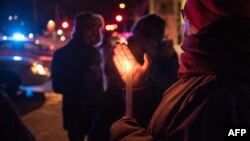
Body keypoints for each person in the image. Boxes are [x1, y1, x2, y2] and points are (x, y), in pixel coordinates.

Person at [110, 0, 250, 140]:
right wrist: (143, 88)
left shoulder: (213, 90)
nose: (182, 24)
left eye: (185, 15)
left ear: (200, 22)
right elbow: (175, 123)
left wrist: (129, 137)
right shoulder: (207, 75)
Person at [89, 14, 178, 141]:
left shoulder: (166, 64)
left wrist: (142, 85)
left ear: (152, 40)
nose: (131, 40)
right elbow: (108, 108)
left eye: (136, 37)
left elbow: (166, 106)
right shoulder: (129, 60)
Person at [51, 12, 104, 141]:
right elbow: (57, 86)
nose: (96, 34)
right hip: (75, 115)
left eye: (98, 29)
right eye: (92, 29)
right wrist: (84, 80)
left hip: (95, 112)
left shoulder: (94, 52)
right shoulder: (62, 54)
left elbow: (99, 86)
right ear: (81, 29)